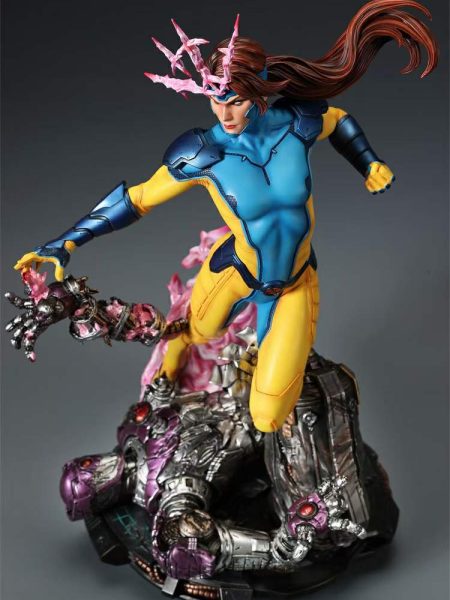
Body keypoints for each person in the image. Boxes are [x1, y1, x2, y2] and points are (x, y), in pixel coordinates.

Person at [13, 0, 438, 433]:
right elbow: (138, 198)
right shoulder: (204, 152)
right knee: (193, 335)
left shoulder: (296, 123)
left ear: (259, 91)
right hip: (234, 271)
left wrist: (369, 163)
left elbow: (340, 120)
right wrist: (66, 241)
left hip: (294, 283)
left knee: (268, 417)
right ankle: (173, 371)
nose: (224, 114)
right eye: (216, 102)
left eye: (235, 101)